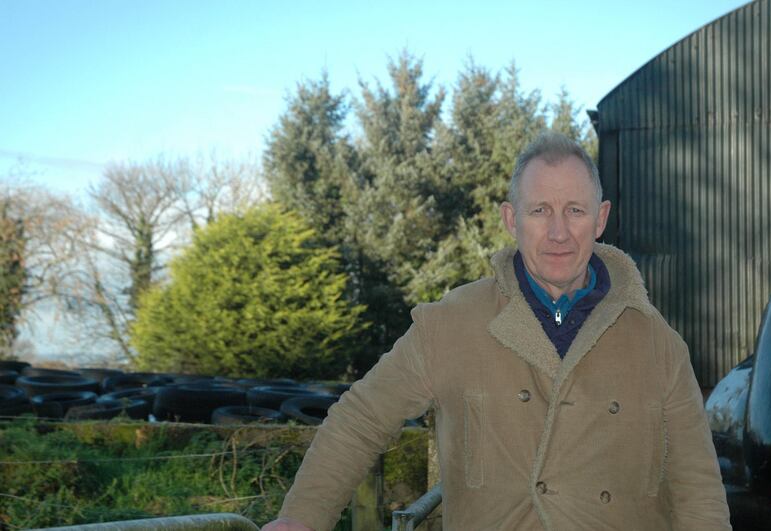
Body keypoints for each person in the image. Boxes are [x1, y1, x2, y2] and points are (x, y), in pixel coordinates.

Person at [262, 132, 731, 530]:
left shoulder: (658, 343)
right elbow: (361, 419)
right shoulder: (450, 323)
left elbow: (698, 491)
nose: (559, 233)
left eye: (575, 210)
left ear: (601, 218)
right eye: (539, 211)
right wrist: (300, 518)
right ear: (511, 219)